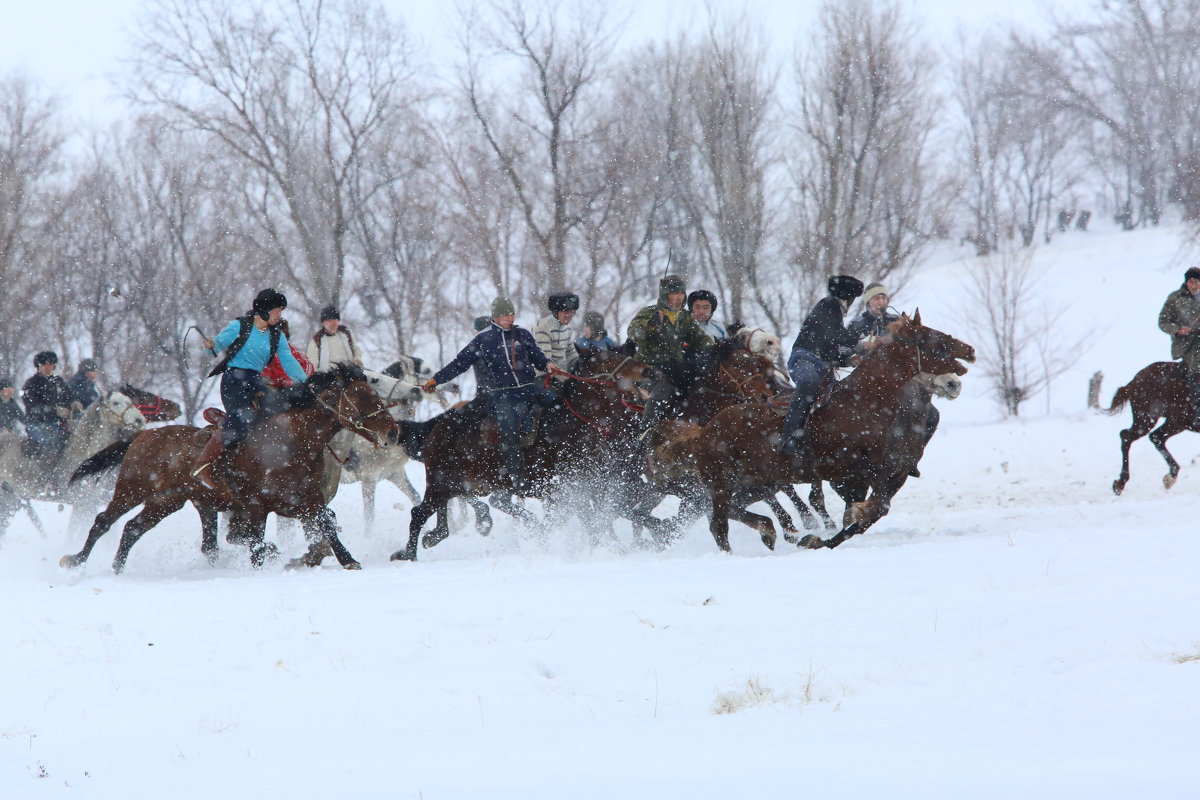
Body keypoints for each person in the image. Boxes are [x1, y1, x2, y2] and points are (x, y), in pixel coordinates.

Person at [422, 296, 566, 494]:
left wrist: (547, 364)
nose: (510, 317)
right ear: (495, 317)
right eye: (506, 314)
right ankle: (518, 479)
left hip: (527, 387)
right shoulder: (483, 339)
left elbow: (537, 356)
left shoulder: (522, 334)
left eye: (512, 313)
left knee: (559, 404)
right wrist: (437, 380)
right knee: (509, 428)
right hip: (501, 394)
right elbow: (459, 363)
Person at [193, 289, 309, 488]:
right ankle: (205, 464)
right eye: (277, 311)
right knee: (242, 418)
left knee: (276, 414)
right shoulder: (240, 326)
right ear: (264, 310)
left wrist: (307, 384)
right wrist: (210, 344)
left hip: (256, 381)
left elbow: (289, 362)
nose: (280, 315)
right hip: (234, 381)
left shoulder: (276, 336)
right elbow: (216, 345)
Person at [779, 275, 865, 456]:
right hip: (804, 359)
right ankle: (789, 437)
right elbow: (835, 335)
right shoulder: (828, 305)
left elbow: (830, 349)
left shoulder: (832, 312)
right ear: (848, 298)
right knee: (809, 382)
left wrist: (849, 360)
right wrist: (862, 345)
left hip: (822, 366)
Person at [627, 274, 715, 426]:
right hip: (648, 368)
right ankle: (646, 431)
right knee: (664, 388)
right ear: (664, 295)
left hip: (675, 369)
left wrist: (718, 350)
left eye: (681, 293)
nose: (679, 297)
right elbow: (633, 333)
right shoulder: (649, 313)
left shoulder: (685, 317)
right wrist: (651, 326)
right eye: (674, 293)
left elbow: (700, 339)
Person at [1159, 266, 1200, 422]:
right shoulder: (1175, 299)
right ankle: (1198, 410)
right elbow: (1163, 321)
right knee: (1197, 370)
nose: (1195, 285)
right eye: (1191, 282)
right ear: (1186, 282)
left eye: (1197, 282)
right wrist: (1177, 329)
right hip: (1187, 345)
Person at [21, 351, 77, 457]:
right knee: (49, 443)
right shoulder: (31, 383)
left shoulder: (58, 381)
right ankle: (46, 467)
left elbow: (68, 397)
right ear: (39, 366)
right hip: (36, 423)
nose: (49, 367)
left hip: (56, 422)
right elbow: (31, 405)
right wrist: (54, 410)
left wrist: (73, 404)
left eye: (51, 364)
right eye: (45, 365)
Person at [306, 305, 363, 373]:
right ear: (323, 323)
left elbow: (356, 349)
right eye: (329, 321)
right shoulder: (316, 341)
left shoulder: (346, 334)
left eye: (334, 320)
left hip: (350, 372)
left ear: (338, 321)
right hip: (329, 376)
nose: (332, 323)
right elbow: (313, 366)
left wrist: (357, 359)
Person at [262, 319, 316, 388]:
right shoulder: (266, 352)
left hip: (295, 387)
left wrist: (301, 380)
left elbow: (307, 364)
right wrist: (280, 381)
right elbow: (265, 373)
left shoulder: (293, 351)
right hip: (276, 389)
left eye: (282, 333)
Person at [533, 292, 580, 371]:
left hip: (562, 373)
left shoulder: (567, 328)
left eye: (572, 312)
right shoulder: (543, 327)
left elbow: (570, 354)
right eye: (566, 312)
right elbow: (546, 361)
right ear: (555, 312)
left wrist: (583, 363)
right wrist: (565, 378)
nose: (569, 315)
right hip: (544, 375)